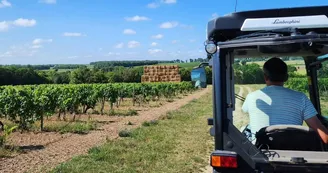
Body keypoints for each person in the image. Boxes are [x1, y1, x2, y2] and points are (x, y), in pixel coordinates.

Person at [242, 57, 328, 144]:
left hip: (259, 153)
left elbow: (244, 110)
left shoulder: (251, 97)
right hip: (294, 154)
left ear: (265, 77)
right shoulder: (301, 98)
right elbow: (324, 136)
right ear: (286, 77)